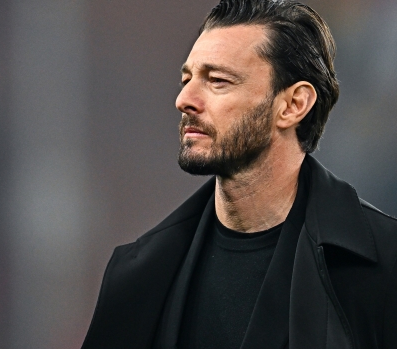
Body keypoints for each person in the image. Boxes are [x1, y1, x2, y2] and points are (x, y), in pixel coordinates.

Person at [81, 0, 397, 348]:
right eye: (186, 79)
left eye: (217, 80)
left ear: (293, 105)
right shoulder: (136, 278)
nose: (184, 98)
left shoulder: (384, 265)